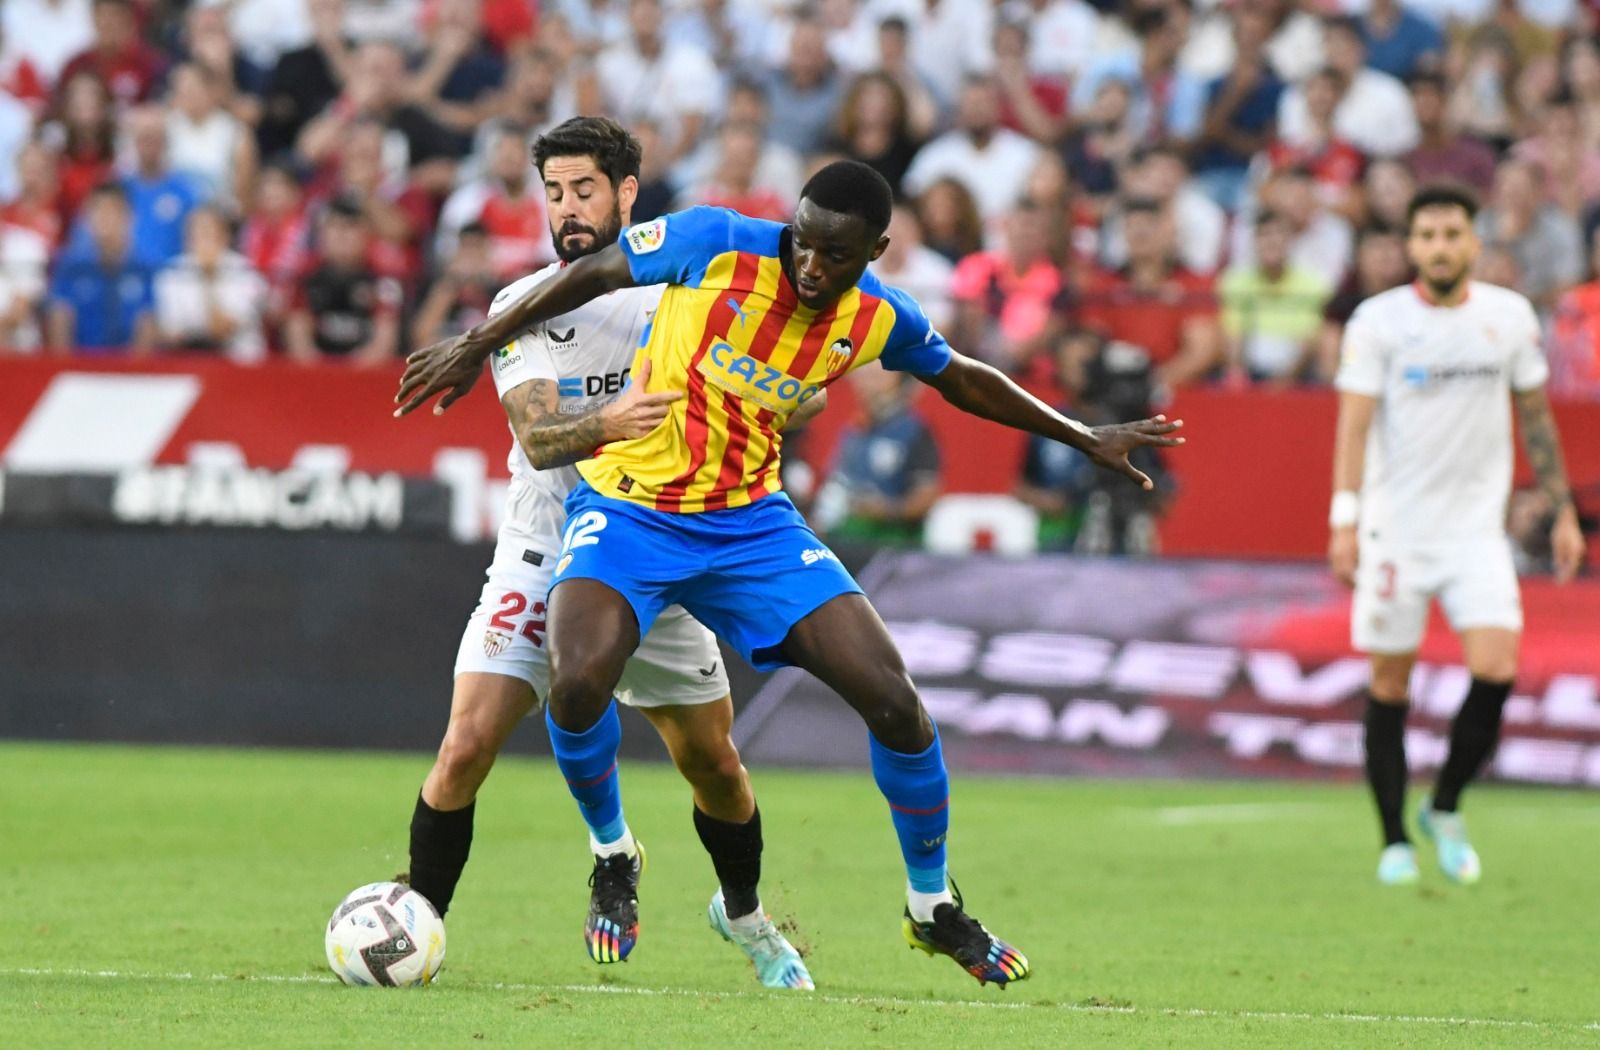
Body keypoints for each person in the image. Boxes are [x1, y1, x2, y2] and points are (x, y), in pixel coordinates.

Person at [396, 159, 1184, 987]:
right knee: (579, 680)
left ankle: (930, 907)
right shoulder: (715, 242)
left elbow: (961, 377)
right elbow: (589, 273)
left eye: (834, 256)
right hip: (629, 507)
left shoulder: (877, 316)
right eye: (802, 244)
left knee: (896, 702)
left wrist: (1081, 435)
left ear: (875, 251)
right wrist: (474, 343)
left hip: (749, 526)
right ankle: (613, 853)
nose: (810, 267)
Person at [401, 117, 813, 991]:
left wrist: (787, 393)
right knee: (465, 746)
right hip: (546, 543)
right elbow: (542, 436)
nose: (567, 208)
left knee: (715, 765)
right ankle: (417, 925)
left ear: (628, 193)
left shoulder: (683, 296)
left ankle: (742, 912)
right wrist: (610, 421)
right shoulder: (523, 303)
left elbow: (773, 387)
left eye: (584, 189)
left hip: (654, 547)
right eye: (553, 192)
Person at [1329, 183, 1586, 888]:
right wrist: (1344, 520)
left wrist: (1562, 509)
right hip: (1396, 531)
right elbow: (1353, 424)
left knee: (1498, 669)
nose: (1440, 247)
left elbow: (1536, 416)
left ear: (1475, 241)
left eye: (1452, 234)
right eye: (1427, 236)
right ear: (1411, 245)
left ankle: (1443, 807)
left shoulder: (1508, 319)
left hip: (1477, 533)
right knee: (1390, 682)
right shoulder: (1377, 322)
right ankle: (1392, 841)